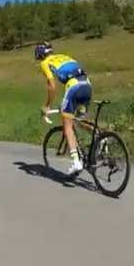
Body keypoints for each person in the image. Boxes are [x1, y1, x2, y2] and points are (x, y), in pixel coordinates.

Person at [35, 41, 92, 175]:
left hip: (73, 87)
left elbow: (52, 86)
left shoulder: (45, 63)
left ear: (40, 54)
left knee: (67, 125)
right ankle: (102, 139)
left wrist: (47, 106)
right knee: (80, 119)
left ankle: (76, 162)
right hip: (87, 85)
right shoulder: (65, 56)